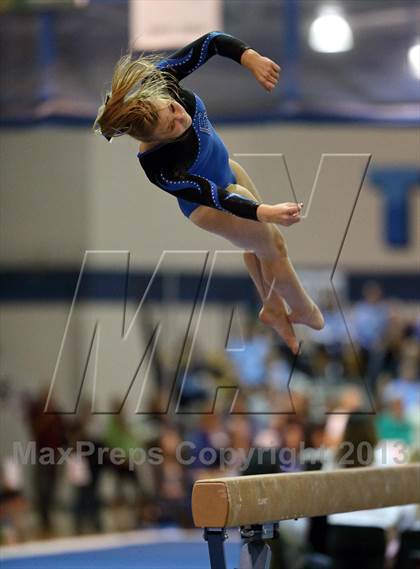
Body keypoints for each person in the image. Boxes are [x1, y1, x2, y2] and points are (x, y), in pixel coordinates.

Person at [94, 31, 324, 353]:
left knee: (264, 246)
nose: (180, 116)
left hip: (227, 168)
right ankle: (303, 309)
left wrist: (249, 58)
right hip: (209, 207)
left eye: (173, 108)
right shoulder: (159, 167)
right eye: (171, 127)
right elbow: (218, 198)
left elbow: (211, 42)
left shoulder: (162, 81)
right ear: (157, 139)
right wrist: (265, 211)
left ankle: (273, 310)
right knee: (272, 246)